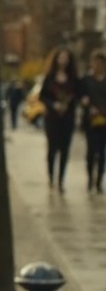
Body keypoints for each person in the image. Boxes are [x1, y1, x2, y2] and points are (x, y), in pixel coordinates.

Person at [40, 46, 81, 192]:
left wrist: (70, 102)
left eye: (66, 57)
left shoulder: (73, 78)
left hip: (67, 118)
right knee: (52, 148)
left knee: (65, 149)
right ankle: (51, 177)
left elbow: (78, 95)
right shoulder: (50, 78)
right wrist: (53, 105)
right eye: (61, 57)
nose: (63, 60)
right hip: (52, 118)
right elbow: (42, 96)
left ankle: (60, 181)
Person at [81, 50, 106, 194]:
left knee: (102, 152)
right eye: (95, 62)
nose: (97, 65)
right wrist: (87, 105)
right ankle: (90, 179)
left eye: (100, 63)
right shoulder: (86, 80)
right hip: (90, 120)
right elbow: (82, 96)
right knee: (91, 151)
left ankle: (99, 182)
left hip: (104, 119)